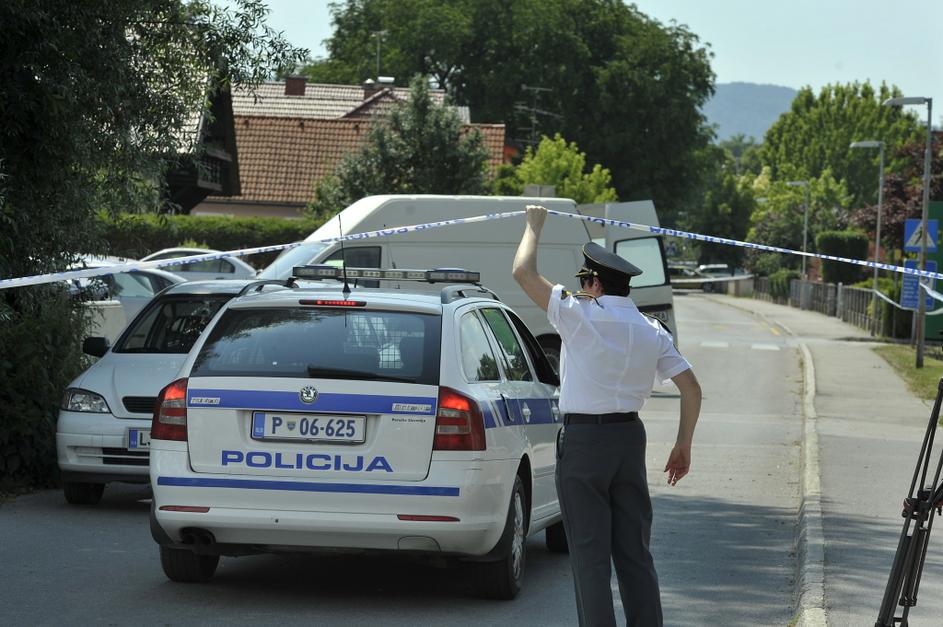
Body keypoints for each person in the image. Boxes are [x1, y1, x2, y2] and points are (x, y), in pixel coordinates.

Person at [512, 204, 702, 627]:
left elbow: (522, 272)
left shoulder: (579, 315)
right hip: (629, 440)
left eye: (586, 281)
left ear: (594, 282)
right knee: (634, 552)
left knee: (590, 556)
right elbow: (691, 388)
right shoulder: (652, 330)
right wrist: (683, 444)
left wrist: (533, 225)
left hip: (584, 443)